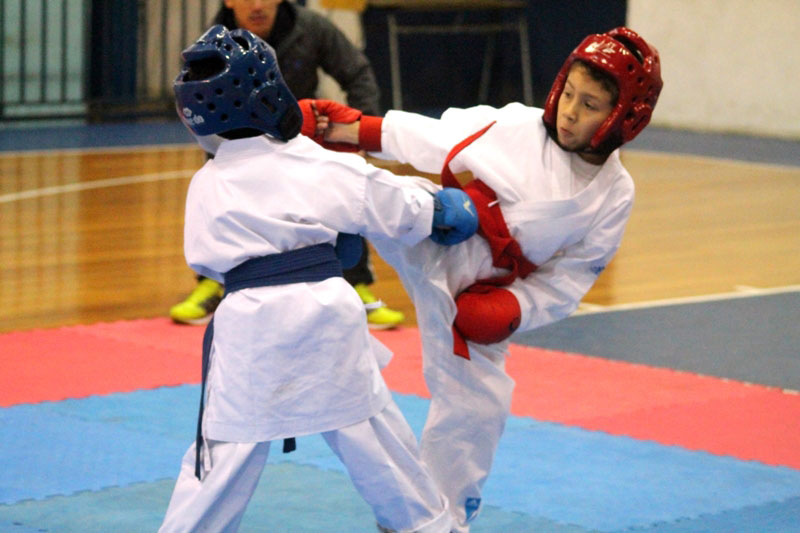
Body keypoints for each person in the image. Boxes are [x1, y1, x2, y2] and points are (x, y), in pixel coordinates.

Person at [308, 27, 663, 532]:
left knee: (478, 411)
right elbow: (432, 137)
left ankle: (433, 521)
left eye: (590, 105)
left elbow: (571, 278)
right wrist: (355, 130)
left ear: (624, 117)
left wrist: (516, 308)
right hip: (439, 234)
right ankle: (325, 233)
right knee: (387, 197)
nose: (569, 111)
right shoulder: (516, 127)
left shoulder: (613, 195)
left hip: (484, 292)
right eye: (568, 94)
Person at [159, 25, 481, 532]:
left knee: (222, 457)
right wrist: (435, 209)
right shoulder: (307, 160)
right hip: (324, 315)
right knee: (372, 437)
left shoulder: (207, 183)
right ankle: (427, 526)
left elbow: (207, 263)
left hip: (248, 325)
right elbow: (380, 195)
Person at [170, 0, 405, 330]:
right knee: (221, 199)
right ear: (229, 1)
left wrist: (359, 134)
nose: (257, 5)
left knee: (338, 200)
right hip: (236, 147)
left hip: (299, 140)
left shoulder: (311, 28)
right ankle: (212, 282)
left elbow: (357, 72)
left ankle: (355, 285)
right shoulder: (210, 43)